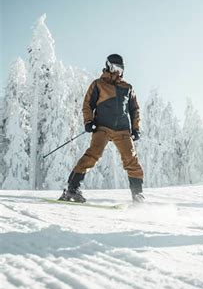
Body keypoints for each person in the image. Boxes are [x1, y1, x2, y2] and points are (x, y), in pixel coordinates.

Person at [59, 54, 145, 203]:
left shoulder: (127, 88)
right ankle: (72, 189)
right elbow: (88, 105)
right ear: (108, 66)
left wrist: (136, 128)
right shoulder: (98, 84)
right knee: (93, 155)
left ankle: (137, 195)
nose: (118, 72)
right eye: (115, 68)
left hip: (123, 130)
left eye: (121, 69)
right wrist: (89, 121)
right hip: (102, 127)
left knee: (131, 160)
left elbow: (135, 110)